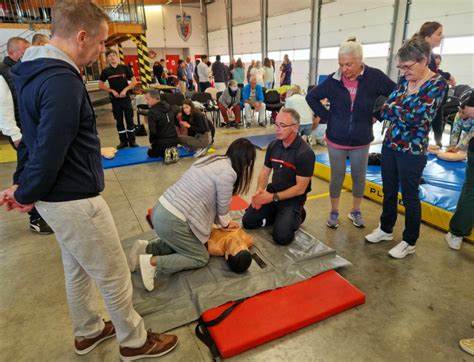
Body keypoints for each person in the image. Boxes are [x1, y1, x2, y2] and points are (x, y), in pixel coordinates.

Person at [0, 1, 177, 359]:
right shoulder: (61, 81)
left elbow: (32, 140)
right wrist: (26, 192)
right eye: (100, 44)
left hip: (57, 197)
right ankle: (134, 340)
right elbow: (48, 149)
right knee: (113, 273)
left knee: (77, 268)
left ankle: (88, 331)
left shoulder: (32, 74)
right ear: (81, 36)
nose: (101, 51)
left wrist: (23, 184)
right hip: (74, 198)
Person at [129, 138, 256, 291]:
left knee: (188, 243)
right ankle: (152, 263)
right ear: (246, 163)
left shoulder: (211, 159)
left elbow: (212, 203)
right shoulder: (228, 173)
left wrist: (226, 225)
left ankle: (147, 248)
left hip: (161, 208)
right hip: (172, 219)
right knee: (199, 257)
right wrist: (227, 223)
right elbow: (223, 207)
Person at [365, 36, 448, 259]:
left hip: (412, 151)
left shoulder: (437, 84)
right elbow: (386, 107)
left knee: (410, 195)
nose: (403, 72)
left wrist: (392, 109)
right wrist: (394, 108)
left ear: (423, 60)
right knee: (389, 190)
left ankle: (409, 241)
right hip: (391, 144)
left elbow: (419, 118)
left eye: (408, 67)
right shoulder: (405, 81)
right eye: (401, 67)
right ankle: (385, 229)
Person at [307, 37, 396, 228]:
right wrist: (327, 116)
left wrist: (378, 114)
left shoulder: (375, 76)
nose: (344, 69)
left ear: (360, 60)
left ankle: (355, 211)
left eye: (348, 64)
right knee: (337, 176)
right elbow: (312, 96)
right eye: (341, 64)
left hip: (361, 139)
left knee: (359, 176)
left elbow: (396, 94)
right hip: (336, 139)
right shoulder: (333, 81)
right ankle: (334, 211)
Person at [0, 36, 54, 235]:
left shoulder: (22, 70)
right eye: (24, 51)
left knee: (37, 168)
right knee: (27, 172)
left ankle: (41, 212)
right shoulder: (4, 74)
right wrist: (15, 135)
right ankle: (35, 219)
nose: (28, 54)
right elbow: (3, 108)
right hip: (21, 134)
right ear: (13, 53)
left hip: (31, 131)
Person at [242, 108, 315, 245]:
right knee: (248, 222)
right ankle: (282, 217)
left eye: (282, 126)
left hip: (292, 199)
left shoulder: (305, 153)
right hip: (273, 193)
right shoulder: (273, 145)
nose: (277, 129)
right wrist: (260, 191)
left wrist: (271, 197)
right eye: (276, 124)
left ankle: (298, 214)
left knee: (281, 238)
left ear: (295, 127)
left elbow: (300, 189)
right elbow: (265, 171)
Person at [418, 21, 456, 146]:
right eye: (439, 34)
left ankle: (438, 142)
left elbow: (434, 74)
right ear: (427, 37)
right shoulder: (423, 56)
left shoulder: (429, 56)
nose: (442, 37)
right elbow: (430, 76)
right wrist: (445, 77)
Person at [445, 98, 474, 251]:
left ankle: (457, 234)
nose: (462, 114)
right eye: (461, 111)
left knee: (470, 189)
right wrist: (452, 146)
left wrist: (460, 148)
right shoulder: (458, 116)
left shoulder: (471, 115)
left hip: (471, 142)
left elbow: (469, 136)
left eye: (464, 111)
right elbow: (455, 131)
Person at [99, 49, 138, 149]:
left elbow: (134, 82)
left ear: (117, 57)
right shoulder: (106, 71)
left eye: (113, 55)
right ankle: (123, 142)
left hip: (126, 99)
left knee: (130, 120)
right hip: (115, 100)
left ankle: (132, 141)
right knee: (119, 121)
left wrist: (125, 90)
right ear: (107, 59)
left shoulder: (125, 68)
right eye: (110, 56)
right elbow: (100, 85)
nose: (112, 57)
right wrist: (112, 91)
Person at [145, 90, 179, 163]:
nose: (146, 101)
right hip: (174, 140)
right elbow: (176, 123)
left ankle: (165, 153)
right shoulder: (169, 106)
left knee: (150, 153)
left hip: (162, 142)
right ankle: (171, 152)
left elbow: (153, 131)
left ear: (155, 98)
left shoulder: (152, 112)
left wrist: (151, 143)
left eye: (148, 99)